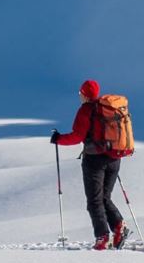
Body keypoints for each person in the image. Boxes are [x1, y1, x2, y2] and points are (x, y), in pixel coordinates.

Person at [51, 79, 129, 250]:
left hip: (95, 160)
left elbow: (77, 136)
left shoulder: (86, 110)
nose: (80, 96)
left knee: (94, 200)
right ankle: (118, 226)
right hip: (114, 157)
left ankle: (102, 238)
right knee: (104, 197)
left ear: (85, 95)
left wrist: (58, 139)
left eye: (81, 93)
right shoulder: (108, 108)